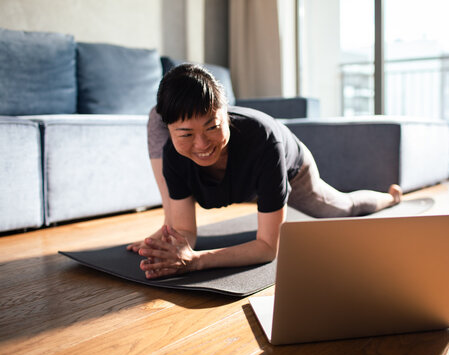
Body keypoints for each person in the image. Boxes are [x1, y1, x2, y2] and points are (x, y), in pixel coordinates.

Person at [127, 63, 402, 279]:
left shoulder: (264, 140)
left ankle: (390, 198)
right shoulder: (173, 156)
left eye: (212, 126)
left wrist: (197, 261)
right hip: (245, 177)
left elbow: (268, 248)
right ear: (170, 130)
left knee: (342, 209)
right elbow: (186, 228)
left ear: (226, 111)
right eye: (186, 133)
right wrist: (169, 249)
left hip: (292, 167)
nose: (201, 144)